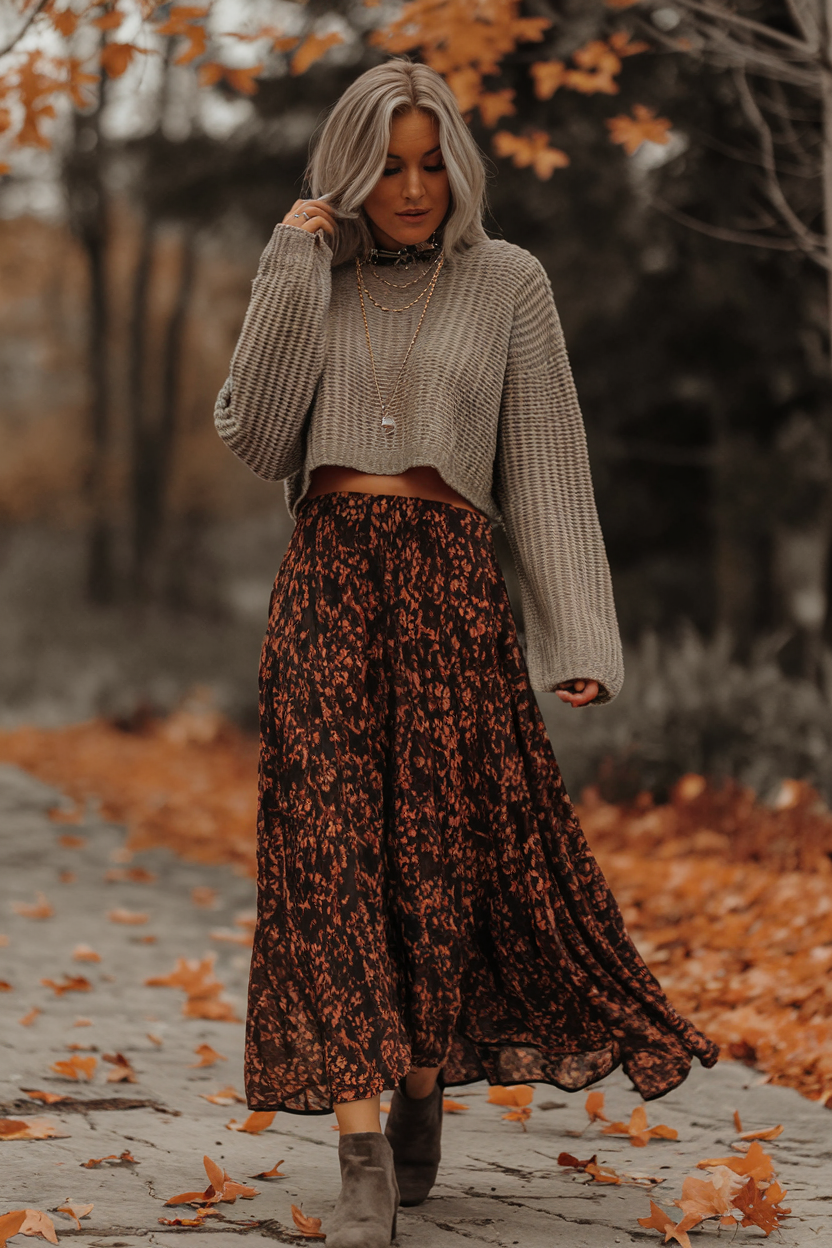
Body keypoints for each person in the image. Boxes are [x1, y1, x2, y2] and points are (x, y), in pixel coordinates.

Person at [214, 57, 718, 1248]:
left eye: (430, 161)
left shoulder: (509, 284)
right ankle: (356, 1152)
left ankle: (423, 1083)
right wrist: (294, 257)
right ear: (346, 168)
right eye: (385, 165)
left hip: (450, 594)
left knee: (433, 864)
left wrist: (578, 634)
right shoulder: (311, 277)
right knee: (330, 855)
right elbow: (253, 432)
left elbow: (544, 465)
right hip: (329, 587)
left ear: (460, 164)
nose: (410, 186)